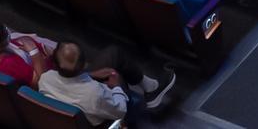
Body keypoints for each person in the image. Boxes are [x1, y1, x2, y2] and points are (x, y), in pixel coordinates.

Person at [35, 41, 176, 127]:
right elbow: (120, 111)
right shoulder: (94, 93)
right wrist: (116, 87)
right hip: (103, 120)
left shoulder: (45, 79)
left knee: (113, 54)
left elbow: (72, 82)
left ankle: (150, 87)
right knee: (115, 73)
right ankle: (151, 90)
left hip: (78, 104)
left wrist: (90, 75)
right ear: (84, 65)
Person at [0, 20, 51, 87]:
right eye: (6, 35)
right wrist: (34, 51)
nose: (9, 33)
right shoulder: (9, 65)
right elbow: (40, 83)